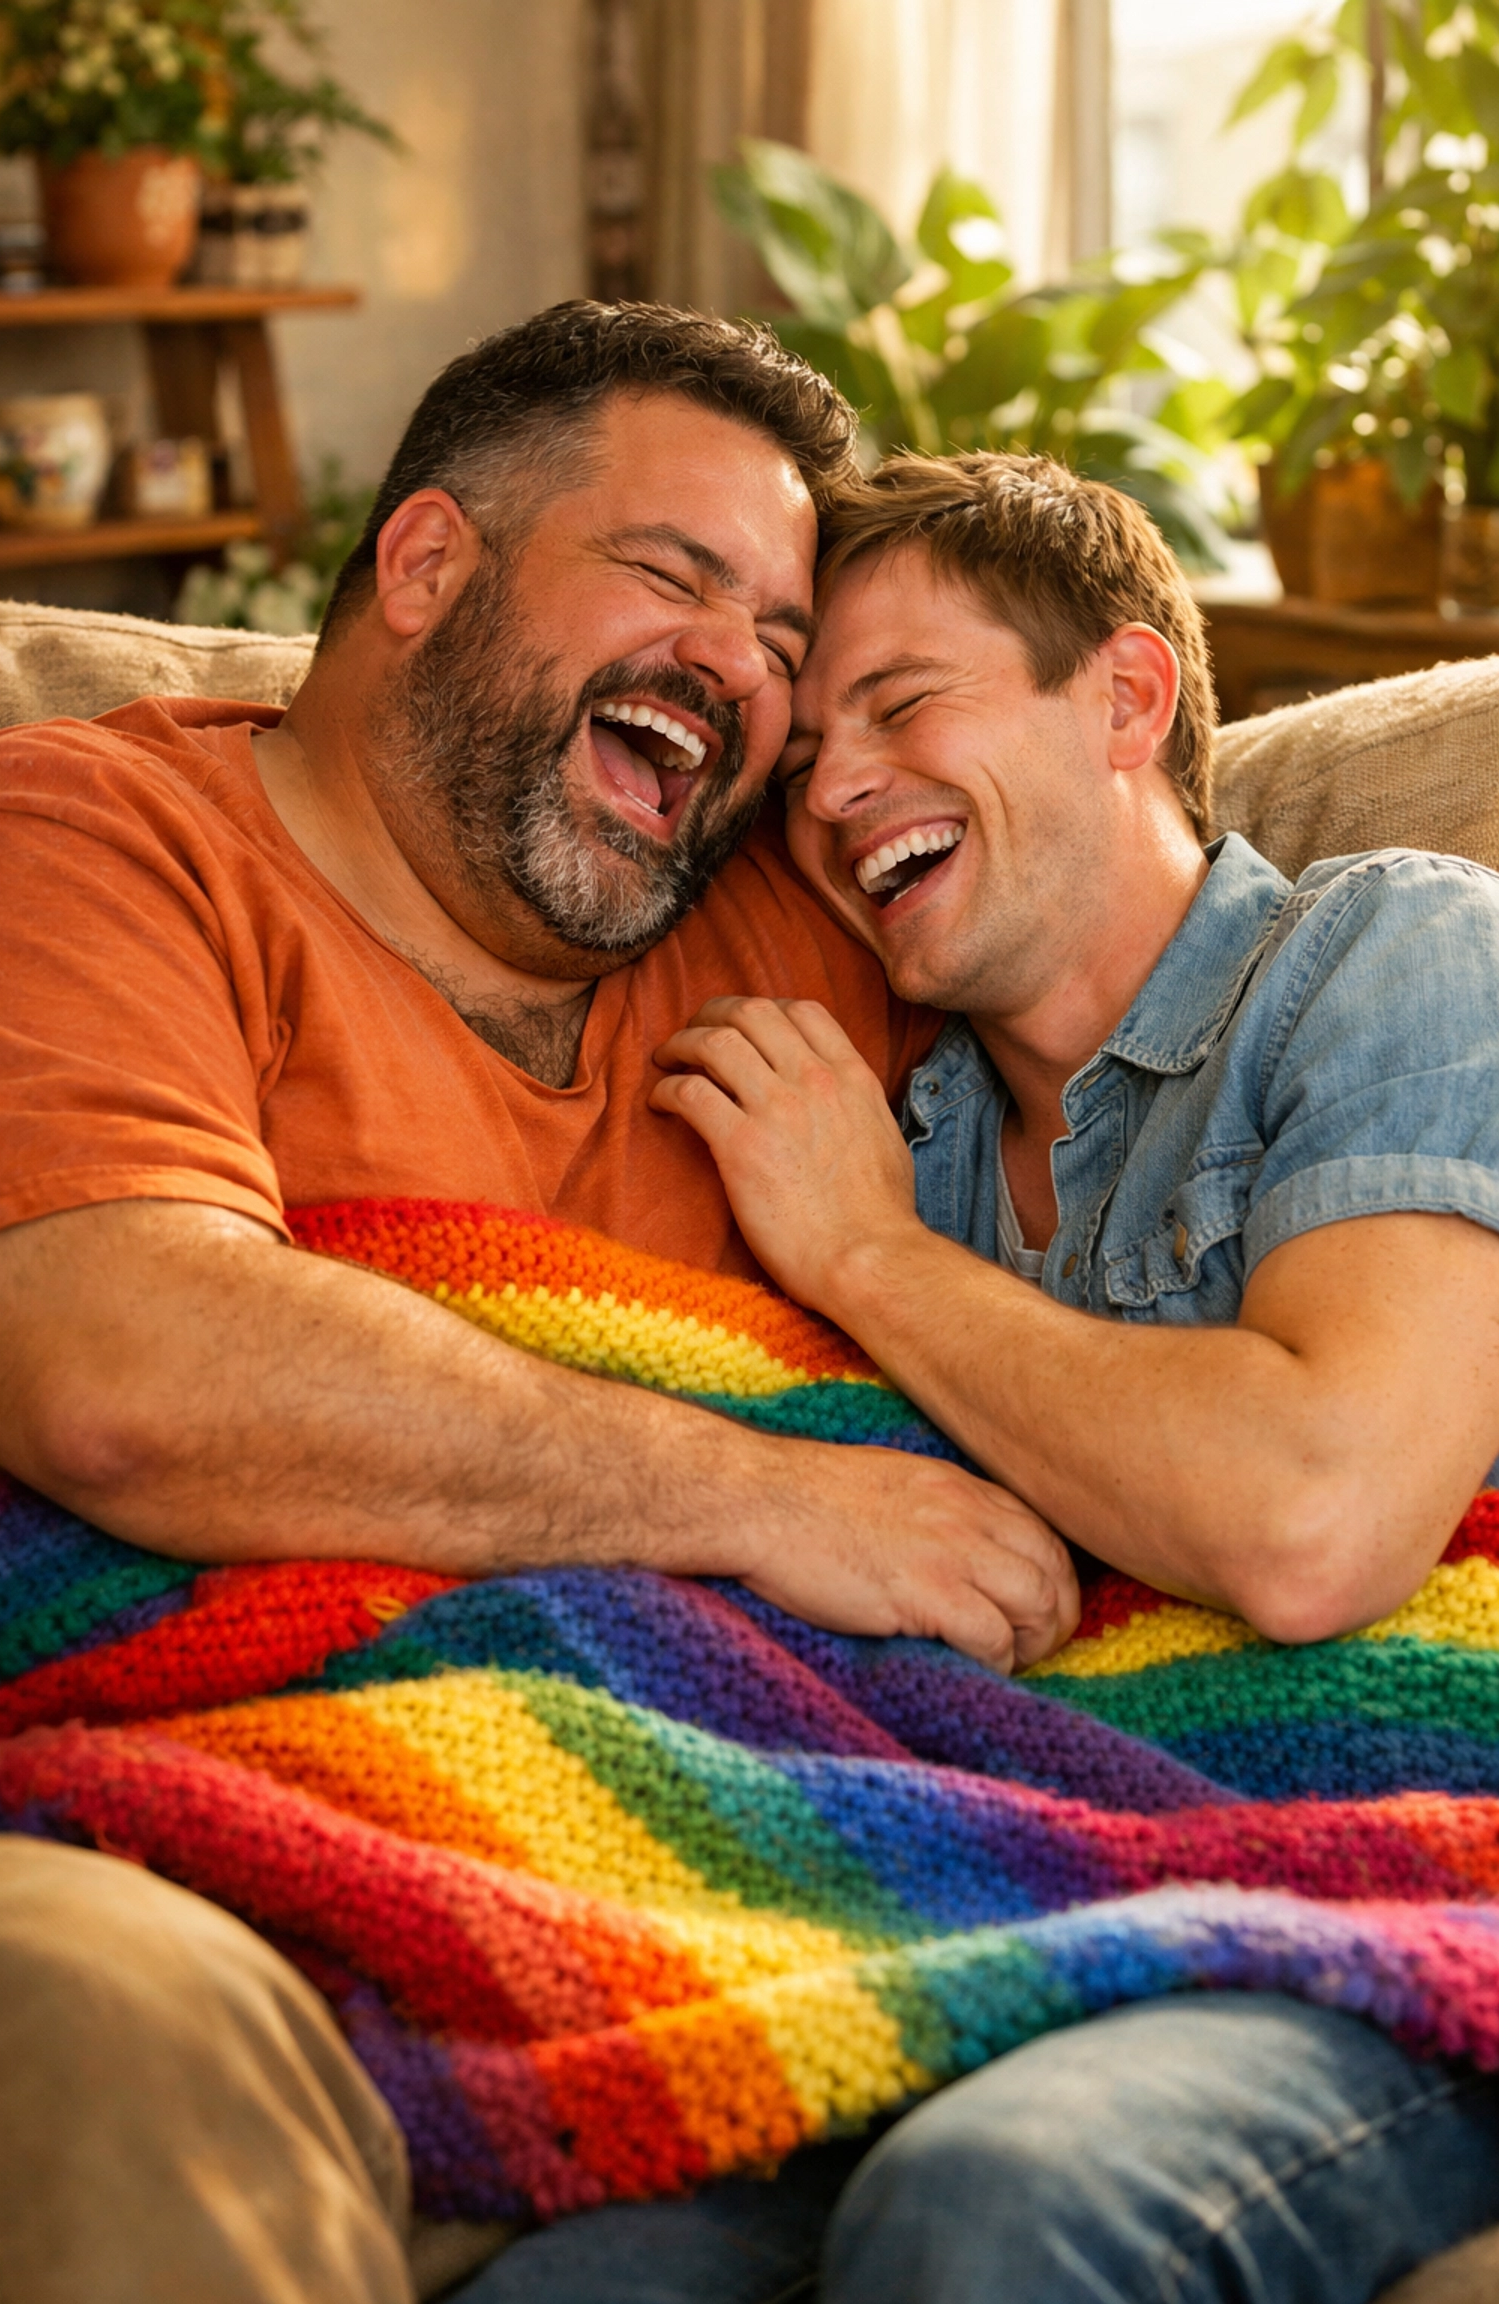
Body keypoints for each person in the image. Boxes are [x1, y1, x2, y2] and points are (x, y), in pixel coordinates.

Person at [0, 314, 1076, 2304]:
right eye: (678, 577)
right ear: (426, 568)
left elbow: (1154, 968)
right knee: (81, 2009)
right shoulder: (82, 839)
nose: (747, 676)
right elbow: (115, 1367)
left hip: (714, 1887)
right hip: (179, 1830)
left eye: (788, 644)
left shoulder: (798, 919)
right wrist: (771, 1498)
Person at [572, 448, 1499, 2304]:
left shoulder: (1396, 953)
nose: (832, 793)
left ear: (1128, 698)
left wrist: (867, 1263)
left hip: (1384, 1910)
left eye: (905, 705)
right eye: (807, 748)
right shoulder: (859, 1128)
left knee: (1000, 2210)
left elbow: (1316, 1517)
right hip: (974, 1907)